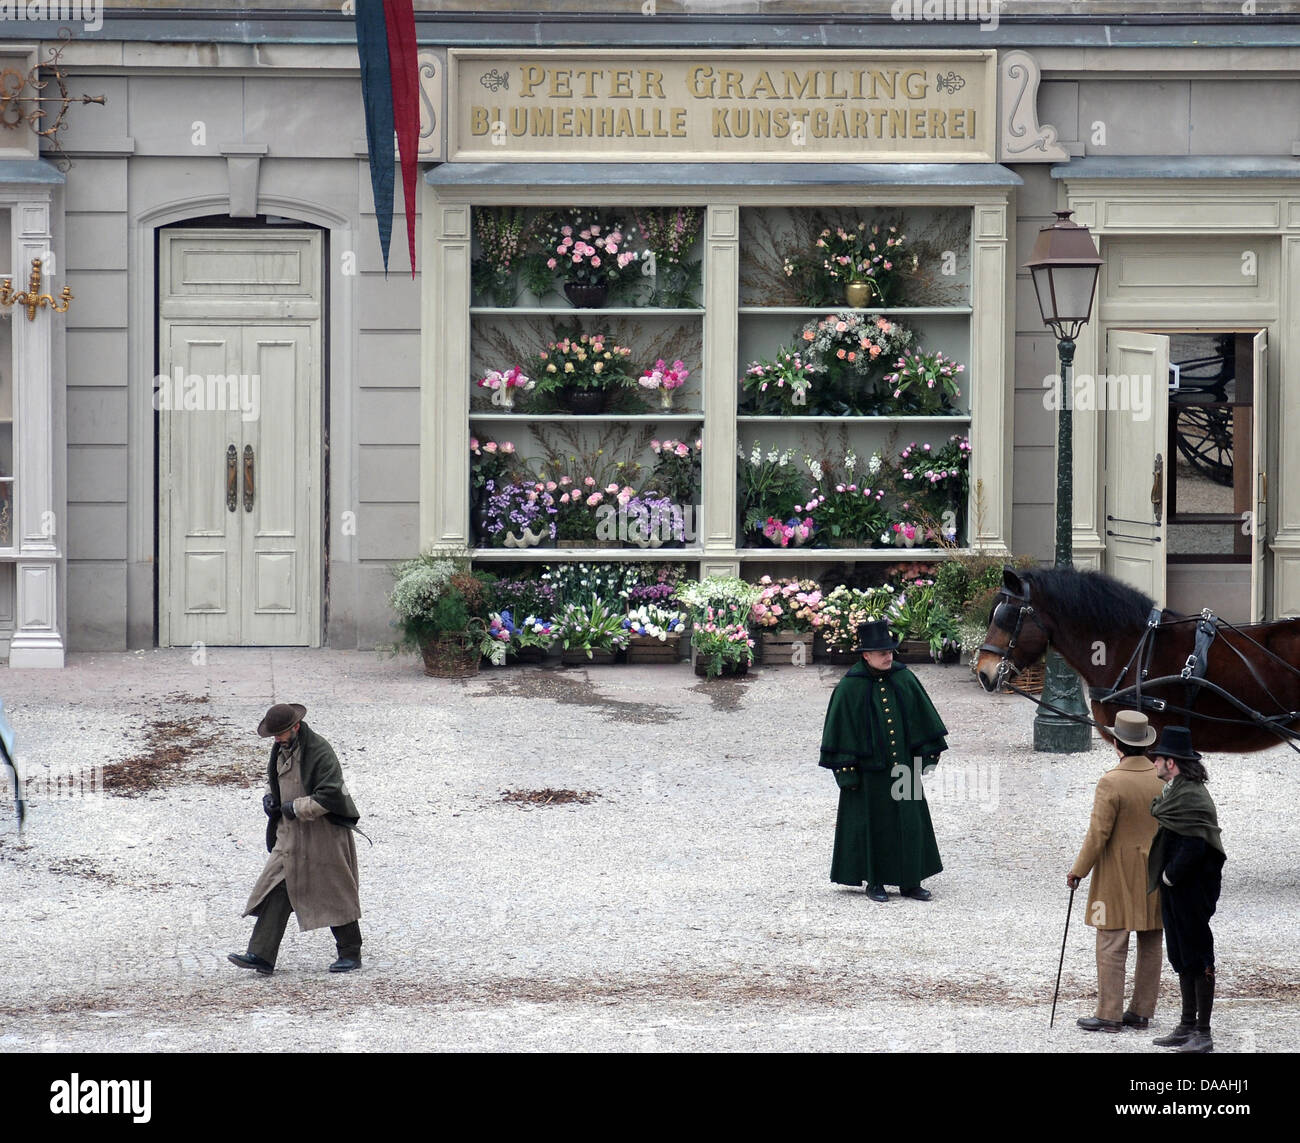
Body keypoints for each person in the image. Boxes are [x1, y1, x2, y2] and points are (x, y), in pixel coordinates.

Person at [228, 703, 365, 975]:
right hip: (290, 835)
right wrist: (269, 796)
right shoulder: (281, 747)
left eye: (279, 734)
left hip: (323, 834)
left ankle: (350, 953)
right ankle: (261, 955)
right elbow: (276, 779)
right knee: (277, 888)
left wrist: (295, 807)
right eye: (274, 735)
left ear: (295, 727)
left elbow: (330, 795)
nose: (275, 739)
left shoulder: (319, 751)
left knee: (334, 889)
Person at [818, 618, 948, 902]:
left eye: (890, 651)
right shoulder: (849, 688)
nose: (888, 656)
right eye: (881, 652)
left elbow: (923, 717)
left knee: (910, 822)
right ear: (866, 655)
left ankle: (911, 881)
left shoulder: (905, 678)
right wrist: (846, 771)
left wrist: (926, 754)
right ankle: (874, 881)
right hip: (869, 772)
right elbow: (838, 732)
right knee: (873, 824)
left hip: (905, 768)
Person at [1066, 710, 1166, 1033]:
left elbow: (1098, 834)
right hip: (1154, 870)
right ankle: (1141, 1011)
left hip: (1117, 873)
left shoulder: (1111, 781)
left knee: (1111, 940)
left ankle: (1109, 1013)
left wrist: (1078, 871)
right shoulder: (1161, 778)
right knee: (1151, 940)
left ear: (1117, 744)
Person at [1146, 726, 1225, 1054]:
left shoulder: (1192, 795)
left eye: (1158, 760)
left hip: (1192, 888)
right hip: (1177, 888)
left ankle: (1202, 1032)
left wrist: (1168, 876)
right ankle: (1186, 1024)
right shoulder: (1176, 790)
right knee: (1180, 953)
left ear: (1172, 763)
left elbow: (1194, 843)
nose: (1154, 765)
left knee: (1197, 952)